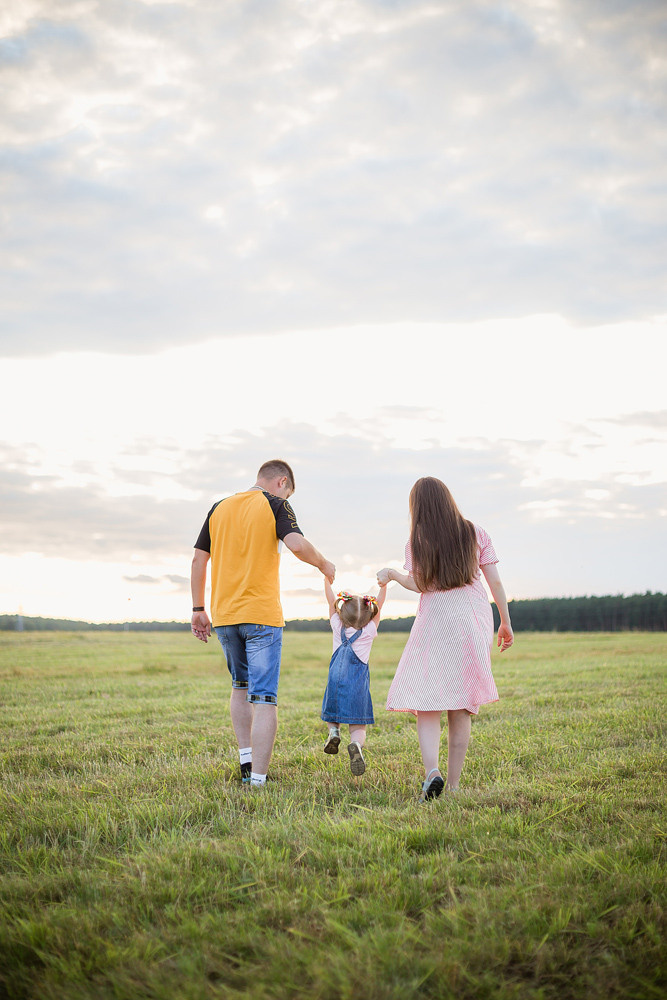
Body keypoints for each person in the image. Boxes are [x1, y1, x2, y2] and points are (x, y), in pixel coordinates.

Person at [191, 459, 335, 788]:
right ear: (282, 482)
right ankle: (257, 780)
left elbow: (199, 558)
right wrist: (325, 564)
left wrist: (198, 607)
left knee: (239, 688)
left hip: (225, 617)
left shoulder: (219, 507)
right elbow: (296, 545)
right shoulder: (276, 504)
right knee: (265, 698)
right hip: (261, 616)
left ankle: (246, 761)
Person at [377, 476, 513, 801]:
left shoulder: (417, 540)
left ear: (418, 507)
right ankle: (452, 786)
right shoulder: (475, 532)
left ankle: (431, 773)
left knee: (427, 699)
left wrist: (394, 575)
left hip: (436, 619)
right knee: (461, 704)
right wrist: (505, 622)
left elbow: (420, 584)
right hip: (471, 616)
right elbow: (495, 582)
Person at [320, 581, 387, 776]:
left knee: (332, 716)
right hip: (357, 688)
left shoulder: (336, 627)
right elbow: (380, 607)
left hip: (335, 684)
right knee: (358, 726)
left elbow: (330, 601)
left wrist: (326, 580)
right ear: (369, 616)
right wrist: (383, 587)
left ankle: (333, 732)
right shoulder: (368, 632)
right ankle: (356, 744)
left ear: (341, 614)